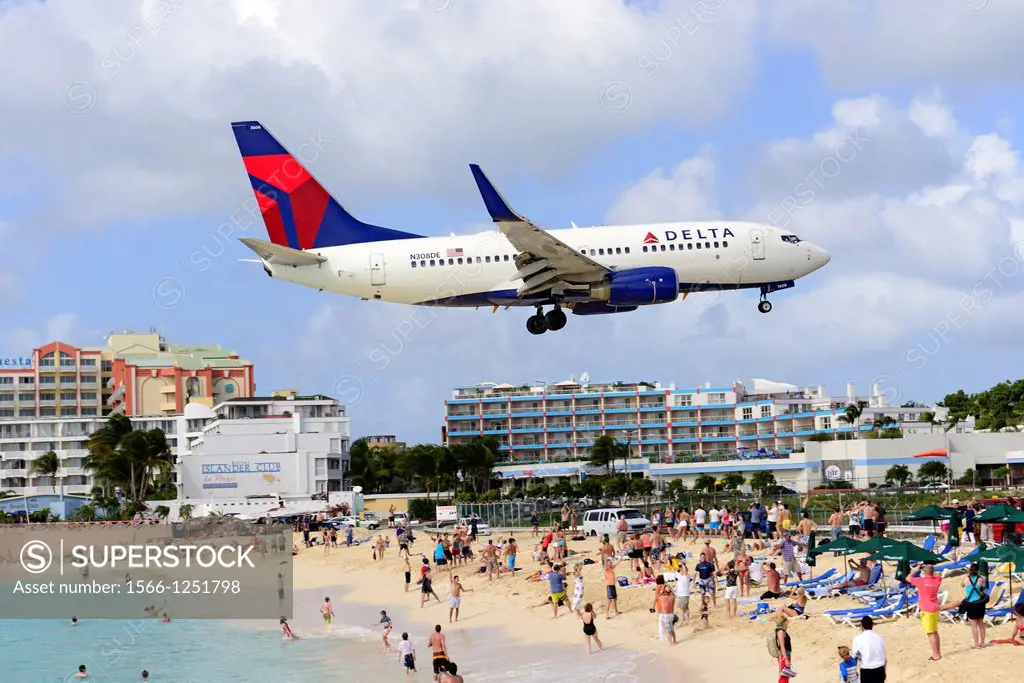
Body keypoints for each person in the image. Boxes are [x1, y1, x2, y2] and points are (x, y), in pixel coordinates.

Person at [907, 563, 943, 661]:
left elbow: (908, 578)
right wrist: (929, 569)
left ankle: (936, 655)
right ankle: (937, 652)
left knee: (930, 633)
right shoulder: (937, 580)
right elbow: (937, 576)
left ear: (924, 572)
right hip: (935, 607)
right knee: (934, 632)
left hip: (927, 609)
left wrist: (915, 570)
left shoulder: (921, 581)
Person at [960, 563, 989, 648]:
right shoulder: (981, 579)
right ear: (978, 570)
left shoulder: (965, 579)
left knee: (974, 626)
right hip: (980, 603)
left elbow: (961, 586)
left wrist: (966, 577)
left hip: (971, 603)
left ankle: (976, 644)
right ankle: (982, 643)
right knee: (981, 624)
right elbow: (984, 588)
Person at [851, 615, 887, 682]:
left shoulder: (857, 639)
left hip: (866, 670)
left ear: (862, 626)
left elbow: (854, 656)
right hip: (880, 669)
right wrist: (884, 670)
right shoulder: (880, 637)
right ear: (872, 625)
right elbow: (884, 657)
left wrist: (854, 671)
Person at [773, 612, 796, 681]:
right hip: (783, 656)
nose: (788, 622)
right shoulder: (780, 632)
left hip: (786, 655)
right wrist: (786, 659)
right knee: (783, 676)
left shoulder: (782, 630)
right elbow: (782, 646)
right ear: (783, 621)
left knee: (786, 675)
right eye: (786, 620)